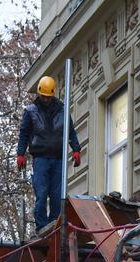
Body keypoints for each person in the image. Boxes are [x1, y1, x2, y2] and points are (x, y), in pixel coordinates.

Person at [16, 75, 82, 232]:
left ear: (52, 95)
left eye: (48, 97)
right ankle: (41, 226)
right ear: (39, 94)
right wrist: (20, 153)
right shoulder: (30, 111)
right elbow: (24, 134)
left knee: (57, 195)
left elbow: (70, 131)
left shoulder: (62, 110)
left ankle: (54, 224)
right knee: (41, 193)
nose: (45, 99)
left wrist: (76, 149)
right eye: (43, 96)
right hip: (41, 158)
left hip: (58, 158)